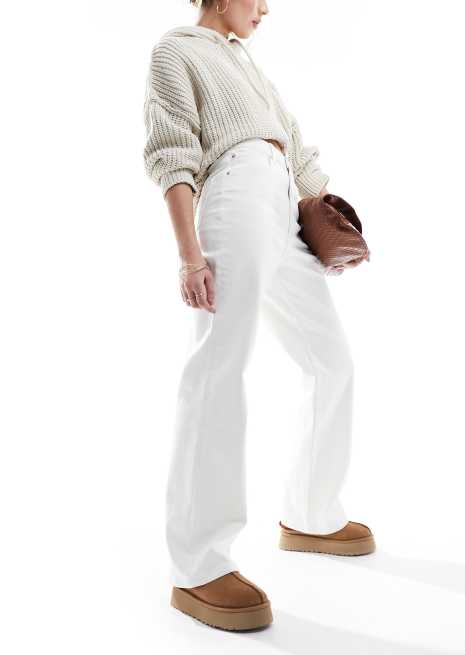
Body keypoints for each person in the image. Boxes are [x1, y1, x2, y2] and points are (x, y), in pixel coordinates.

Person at [142, 0, 375, 631]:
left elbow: (294, 144)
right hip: (235, 192)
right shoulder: (176, 49)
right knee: (219, 366)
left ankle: (311, 514)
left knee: (330, 360)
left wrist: (326, 212)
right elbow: (172, 152)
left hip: (281, 203)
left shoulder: (248, 63)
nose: (267, 8)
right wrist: (190, 256)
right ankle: (198, 565)